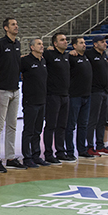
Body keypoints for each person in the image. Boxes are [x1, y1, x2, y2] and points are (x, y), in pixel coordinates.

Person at [0, 18, 26, 172]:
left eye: (16, 24)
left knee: (12, 125)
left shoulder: (17, 44)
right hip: (2, 89)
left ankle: (10, 157)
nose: (16, 26)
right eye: (13, 24)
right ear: (5, 28)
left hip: (15, 89)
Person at [20, 38, 50, 168]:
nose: (42, 46)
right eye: (39, 44)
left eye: (42, 44)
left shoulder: (43, 60)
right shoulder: (25, 61)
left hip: (42, 101)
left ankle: (36, 155)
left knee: (38, 130)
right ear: (32, 47)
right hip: (30, 101)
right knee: (29, 131)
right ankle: (27, 157)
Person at [43, 33, 72, 164]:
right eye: (62, 40)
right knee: (51, 125)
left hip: (65, 95)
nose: (66, 42)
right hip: (52, 95)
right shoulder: (49, 54)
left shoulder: (67, 56)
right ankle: (48, 153)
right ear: (55, 43)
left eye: (66, 40)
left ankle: (60, 151)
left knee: (62, 126)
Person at [65, 37, 93, 159]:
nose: (84, 45)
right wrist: (68, 53)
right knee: (71, 125)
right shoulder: (71, 57)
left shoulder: (86, 57)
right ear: (74, 46)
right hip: (74, 96)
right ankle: (70, 151)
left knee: (83, 125)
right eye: (81, 43)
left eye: (84, 42)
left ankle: (82, 149)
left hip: (87, 95)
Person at [85, 35, 108, 156]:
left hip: (105, 91)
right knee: (92, 120)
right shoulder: (89, 54)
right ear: (95, 44)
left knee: (102, 121)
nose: (105, 44)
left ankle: (100, 145)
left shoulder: (103, 56)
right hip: (94, 91)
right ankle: (89, 146)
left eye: (105, 41)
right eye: (102, 42)